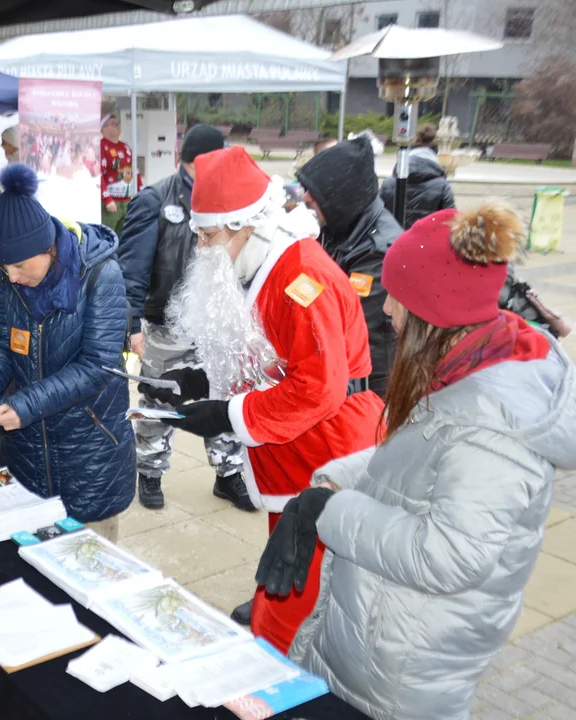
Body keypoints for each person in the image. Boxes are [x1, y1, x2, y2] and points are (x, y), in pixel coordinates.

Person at [282, 204, 576, 720]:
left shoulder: (493, 427)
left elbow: (446, 555)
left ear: (432, 312)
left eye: (398, 300)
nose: (386, 312)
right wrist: (332, 485)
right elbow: (410, 467)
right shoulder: (466, 368)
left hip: (407, 664)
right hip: (388, 633)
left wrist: (329, 515)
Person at [157, 146, 384, 653]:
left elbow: (317, 387)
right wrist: (198, 382)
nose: (201, 245)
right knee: (287, 581)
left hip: (328, 455)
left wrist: (228, 413)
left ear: (247, 225)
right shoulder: (259, 260)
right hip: (297, 452)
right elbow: (264, 352)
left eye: (208, 234)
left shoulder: (303, 277)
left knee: (294, 613)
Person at [0, 165, 135, 541]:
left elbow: (96, 367)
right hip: (28, 456)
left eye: (20, 265)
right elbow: (1, 343)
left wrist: (26, 404)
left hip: (89, 455)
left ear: (49, 246)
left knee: (88, 567)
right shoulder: (11, 277)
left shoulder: (101, 276)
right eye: (4, 268)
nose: (12, 276)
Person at [114, 124, 252, 512]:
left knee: (223, 395)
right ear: (186, 163)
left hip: (218, 324)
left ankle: (228, 474)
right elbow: (133, 270)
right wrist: (132, 326)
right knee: (159, 397)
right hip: (167, 325)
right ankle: (151, 472)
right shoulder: (154, 200)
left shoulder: (230, 201)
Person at [297, 136, 401, 398]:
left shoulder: (379, 250)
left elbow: (341, 319)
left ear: (342, 197)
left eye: (317, 190)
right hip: (342, 373)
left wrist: (294, 286)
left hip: (371, 383)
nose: (306, 196)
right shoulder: (338, 228)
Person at [379, 123, 455, 229]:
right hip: (426, 243)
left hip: (394, 242)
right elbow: (451, 221)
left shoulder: (389, 183)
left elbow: (377, 217)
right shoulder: (442, 186)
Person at [100, 113, 140, 234]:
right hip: (112, 201)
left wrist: (140, 192)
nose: (117, 126)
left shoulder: (125, 147)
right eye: (113, 124)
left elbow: (134, 170)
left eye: (118, 123)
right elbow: (99, 175)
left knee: (125, 235)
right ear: (104, 128)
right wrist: (107, 199)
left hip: (128, 200)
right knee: (108, 236)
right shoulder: (101, 146)